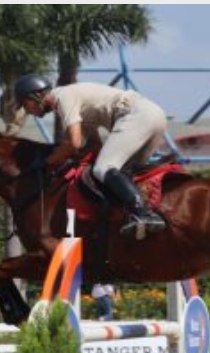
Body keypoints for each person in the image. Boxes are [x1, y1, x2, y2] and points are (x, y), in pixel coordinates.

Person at [14, 74, 167, 238]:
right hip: (154, 116)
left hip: (137, 116)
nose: (27, 110)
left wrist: (46, 161)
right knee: (125, 175)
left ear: (36, 95)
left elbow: (74, 143)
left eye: (25, 104)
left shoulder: (63, 97)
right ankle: (140, 216)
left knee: (103, 168)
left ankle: (142, 214)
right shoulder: (73, 101)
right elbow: (94, 145)